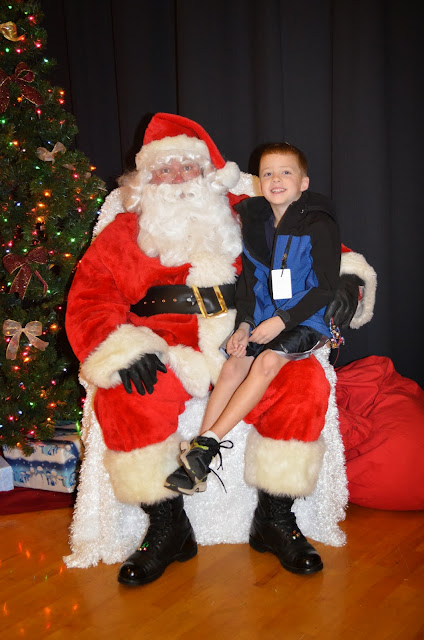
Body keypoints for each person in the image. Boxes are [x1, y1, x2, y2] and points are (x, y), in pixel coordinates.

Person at [65, 113, 374, 586]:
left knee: (302, 383)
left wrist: (347, 279)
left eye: (187, 166)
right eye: (163, 169)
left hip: (250, 334)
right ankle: (168, 528)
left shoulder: (250, 210)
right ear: (145, 179)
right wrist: (121, 347)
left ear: (208, 172)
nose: (177, 178)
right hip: (168, 347)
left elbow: (319, 243)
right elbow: (90, 301)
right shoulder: (123, 232)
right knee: (127, 396)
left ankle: (274, 519)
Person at [165, 142, 341, 510]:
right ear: (259, 182)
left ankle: (207, 444)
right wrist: (244, 326)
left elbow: (325, 288)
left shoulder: (319, 223)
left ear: (304, 182)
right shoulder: (254, 224)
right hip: (263, 318)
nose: (276, 179)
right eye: (268, 173)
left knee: (265, 363)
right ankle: (199, 463)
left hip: (304, 318)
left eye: (286, 172)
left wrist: (282, 321)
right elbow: (249, 285)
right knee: (233, 366)